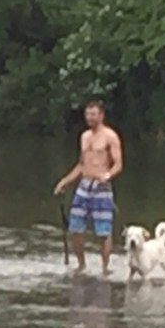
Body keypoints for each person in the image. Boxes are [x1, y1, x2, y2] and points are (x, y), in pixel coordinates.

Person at [53, 100, 123, 275]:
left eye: (93, 114)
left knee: (103, 231)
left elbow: (118, 164)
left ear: (101, 115)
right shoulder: (84, 136)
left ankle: (105, 267)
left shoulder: (110, 136)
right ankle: (81, 265)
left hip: (102, 188)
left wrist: (107, 176)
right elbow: (81, 165)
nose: (89, 118)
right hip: (84, 186)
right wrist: (65, 182)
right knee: (75, 228)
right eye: (87, 114)